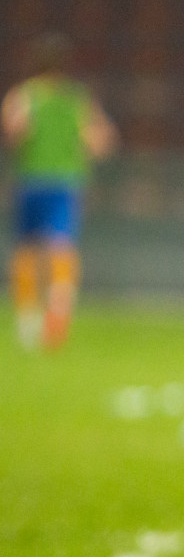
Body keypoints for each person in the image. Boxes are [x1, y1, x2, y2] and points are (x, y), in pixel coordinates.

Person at [3, 32, 116, 350]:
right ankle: (60, 307)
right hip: (66, 182)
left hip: (30, 180)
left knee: (26, 249)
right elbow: (101, 141)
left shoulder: (24, 95)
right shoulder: (76, 98)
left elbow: (15, 132)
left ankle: (27, 321)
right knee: (61, 247)